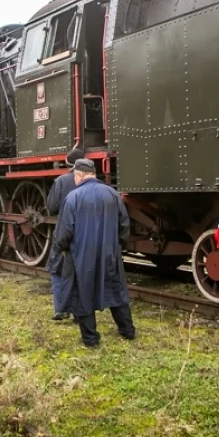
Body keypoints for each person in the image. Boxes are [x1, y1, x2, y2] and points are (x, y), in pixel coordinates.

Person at [50, 158, 135, 348]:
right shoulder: (112, 194)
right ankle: (128, 331)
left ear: (79, 175)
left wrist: (63, 248)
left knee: (82, 295)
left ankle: (91, 339)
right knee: (116, 291)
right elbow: (124, 225)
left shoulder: (73, 197)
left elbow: (64, 232)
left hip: (81, 256)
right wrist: (116, 245)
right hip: (110, 253)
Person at [45, 147, 84, 321]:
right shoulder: (95, 183)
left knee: (57, 267)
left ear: (68, 163)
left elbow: (51, 207)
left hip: (65, 231)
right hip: (85, 233)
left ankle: (61, 308)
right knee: (81, 271)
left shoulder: (61, 181)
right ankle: (79, 312)